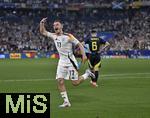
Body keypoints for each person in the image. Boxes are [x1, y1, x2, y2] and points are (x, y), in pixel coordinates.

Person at [40, 18, 95, 108]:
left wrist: (84, 55)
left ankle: (87, 74)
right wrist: (41, 23)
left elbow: (80, 44)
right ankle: (66, 102)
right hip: (61, 62)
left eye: (57, 25)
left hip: (70, 62)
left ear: (61, 26)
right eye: (54, 25)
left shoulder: (68, 36)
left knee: (75, 83)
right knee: (60, 81)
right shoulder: (54, 36)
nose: (55, 27)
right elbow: (43, 32)